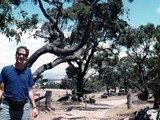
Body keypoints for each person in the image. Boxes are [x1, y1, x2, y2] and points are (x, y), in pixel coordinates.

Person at [0, 46, 38, 120]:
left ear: (26, 58)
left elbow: (29, 90)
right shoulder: (6, 70)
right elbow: (1, 89)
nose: (21, 56)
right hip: (7, 106)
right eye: (19, 54)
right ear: (16, 55)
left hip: (23, 107)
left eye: (24, 55)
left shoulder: (28, 71)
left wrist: (34, 107)